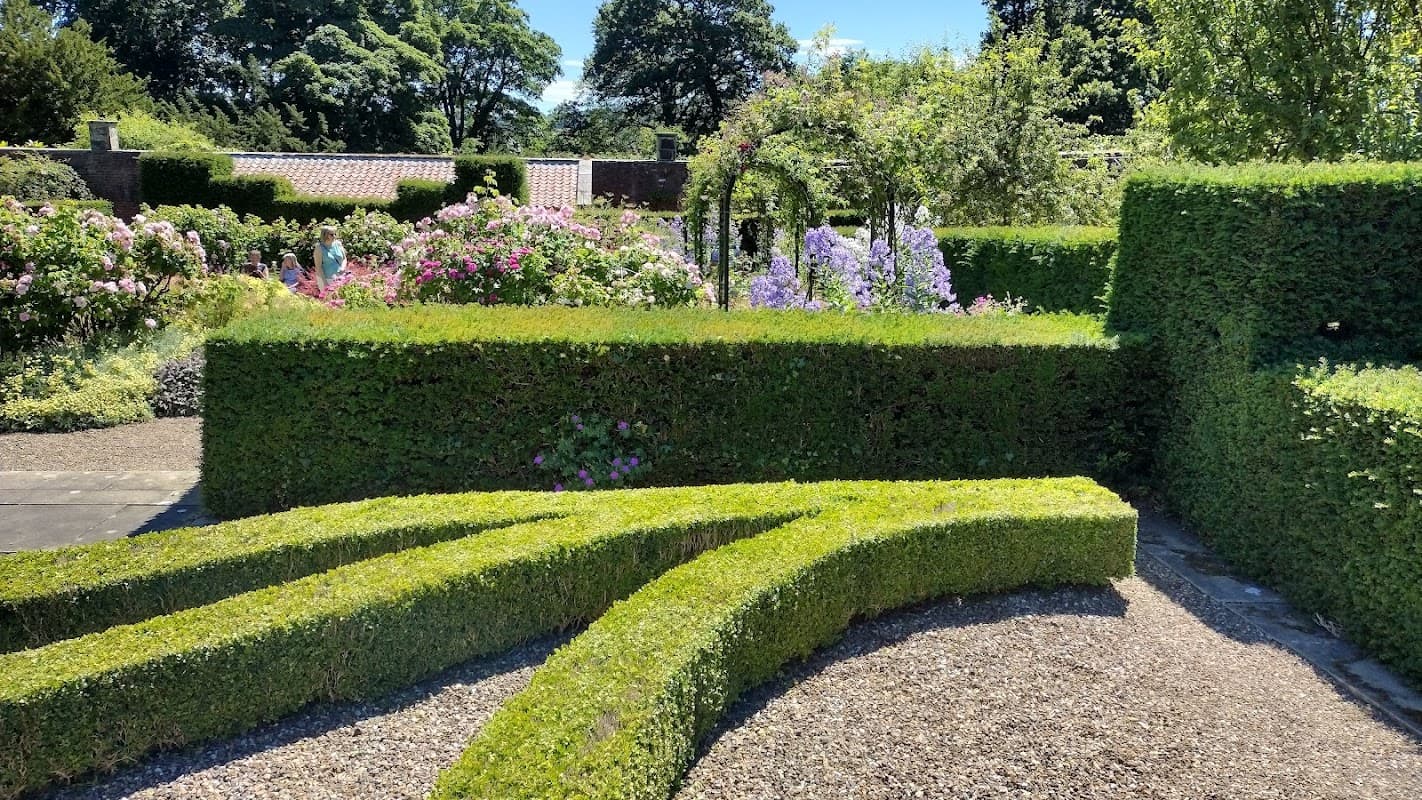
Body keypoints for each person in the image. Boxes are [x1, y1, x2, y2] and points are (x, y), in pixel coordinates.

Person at [314, 226, 346, 292]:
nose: (334, 236)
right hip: (327, 279)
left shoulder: (338, 244)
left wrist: (343, 267)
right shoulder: (319, 249)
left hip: (341, 277)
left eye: (335, 234)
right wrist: (325, 284)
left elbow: (344, 258)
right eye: (331, 235)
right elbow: (318, 267)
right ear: (325, 235)